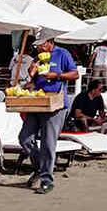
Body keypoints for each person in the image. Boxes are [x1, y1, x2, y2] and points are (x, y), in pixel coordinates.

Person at [22, 36, 78, 193]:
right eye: (37, 46)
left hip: (56, 104)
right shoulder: (37, 57)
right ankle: (40, 168)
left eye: (41, 45)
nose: (39, 48)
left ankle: (47, 180)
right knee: (25, 138)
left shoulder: (62, 54)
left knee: (48, 142)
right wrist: (31, 73)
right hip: (38, 102)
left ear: (50, 42)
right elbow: (33, 80)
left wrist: (57, 76)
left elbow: (75, 74)